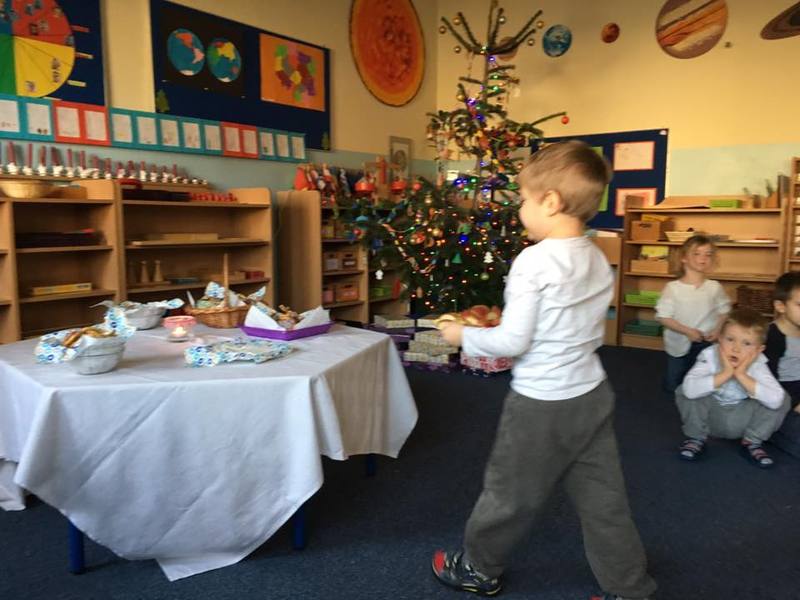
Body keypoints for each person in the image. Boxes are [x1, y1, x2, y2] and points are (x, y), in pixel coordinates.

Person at [431, 141, 656, 600]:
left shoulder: (533, 261)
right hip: (591, 394)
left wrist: (461, 336)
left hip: (541, 403)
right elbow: (569, 323)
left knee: (508, 494)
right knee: (605, 501)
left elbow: (513, 343)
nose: (520, 209)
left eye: (523, 200)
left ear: (550, 202)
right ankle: (628, 587)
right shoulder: (596, 256)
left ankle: (478, 567)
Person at [676, 307, 790, 467]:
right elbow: (689, 390)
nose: (736, 348)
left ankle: (751, 442)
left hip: (742, 420)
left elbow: (776, 400)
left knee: (782, 398)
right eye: (730, 339)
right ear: (719, 339)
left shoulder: (758, 363)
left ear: (759, 350)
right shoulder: (709, 355)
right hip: (710, 418)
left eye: (747, 343)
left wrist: (741, 375)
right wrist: (726, 373)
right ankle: (696, 438)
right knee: (684, 390)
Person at [655, 235, 731, 393]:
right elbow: (664, 317)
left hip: (707, 342)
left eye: (708, 254)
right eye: (696, 253)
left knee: (704, 377)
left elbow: (724, 311)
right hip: (679, 343)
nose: (703, 258)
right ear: (684, 258)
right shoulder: (673, 288)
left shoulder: (714, 287)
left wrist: (718, 330)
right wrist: (687, 331)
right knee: (675, 380)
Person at [763, 272, 800, 458]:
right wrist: (795, 404)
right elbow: (767, 382)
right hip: (783, 394)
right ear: (780, 306)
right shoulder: (772, 336)